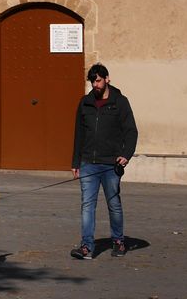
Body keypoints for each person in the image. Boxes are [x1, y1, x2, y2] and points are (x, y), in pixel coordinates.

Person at [69, 63, 137, 260]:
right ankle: (87, 247)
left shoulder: (120, 102)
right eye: (92, 81)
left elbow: (131, 131)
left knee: (114, 204)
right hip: (88, 162)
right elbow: (79, 134)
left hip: (111, 164)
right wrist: (75, 162)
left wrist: (126, 154)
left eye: (98, 80)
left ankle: (118, 241)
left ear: (107, 79)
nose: (95, 85)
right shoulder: (85, 103)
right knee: (87, 205)